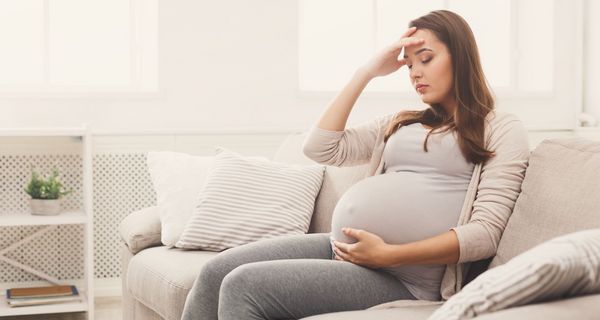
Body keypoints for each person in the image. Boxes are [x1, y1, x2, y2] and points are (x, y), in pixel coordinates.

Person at [181, 10, 530, 320]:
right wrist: (366, 72)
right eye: (409, 64)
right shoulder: (402, 122)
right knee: (215, 272)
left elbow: (484, 234)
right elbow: (320, 147)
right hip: (344, 249)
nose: (414, 73)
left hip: (403, 280)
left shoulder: (499, 128)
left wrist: (389, 255)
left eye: (426, 58)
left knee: (244, 285)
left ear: (462, 57)